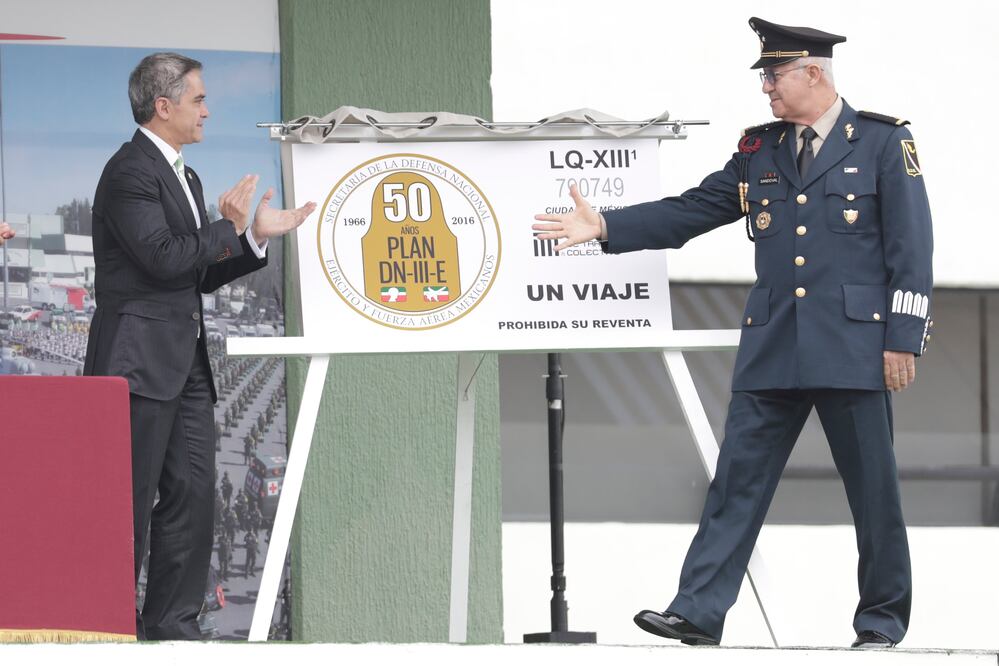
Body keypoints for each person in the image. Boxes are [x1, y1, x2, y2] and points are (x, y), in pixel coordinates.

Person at [533, 17, 932, 650]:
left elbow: (912, 247)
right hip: (774, 342)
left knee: (873, 493)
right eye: (766, 77)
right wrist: (606, 226)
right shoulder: (760, 149)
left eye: (774, 76)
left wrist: (904, 335)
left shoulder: (883, 142)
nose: (766, 88)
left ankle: (881, 622)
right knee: (735, 484)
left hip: (856, 345)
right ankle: (697, 610)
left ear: (813, 73)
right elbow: (696, 208)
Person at [83, 52, 316, 640]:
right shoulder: (129, 172)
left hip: (184, 366)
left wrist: (252, 238)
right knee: (125, 509)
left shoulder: (185, 175)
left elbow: (194, 273)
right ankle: (105, 630)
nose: (208, 110)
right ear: (164, 107)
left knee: (192, 495)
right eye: (200, 99)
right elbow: (162, 257)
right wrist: (227, 228)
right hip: (134, 365)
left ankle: (172, 627)